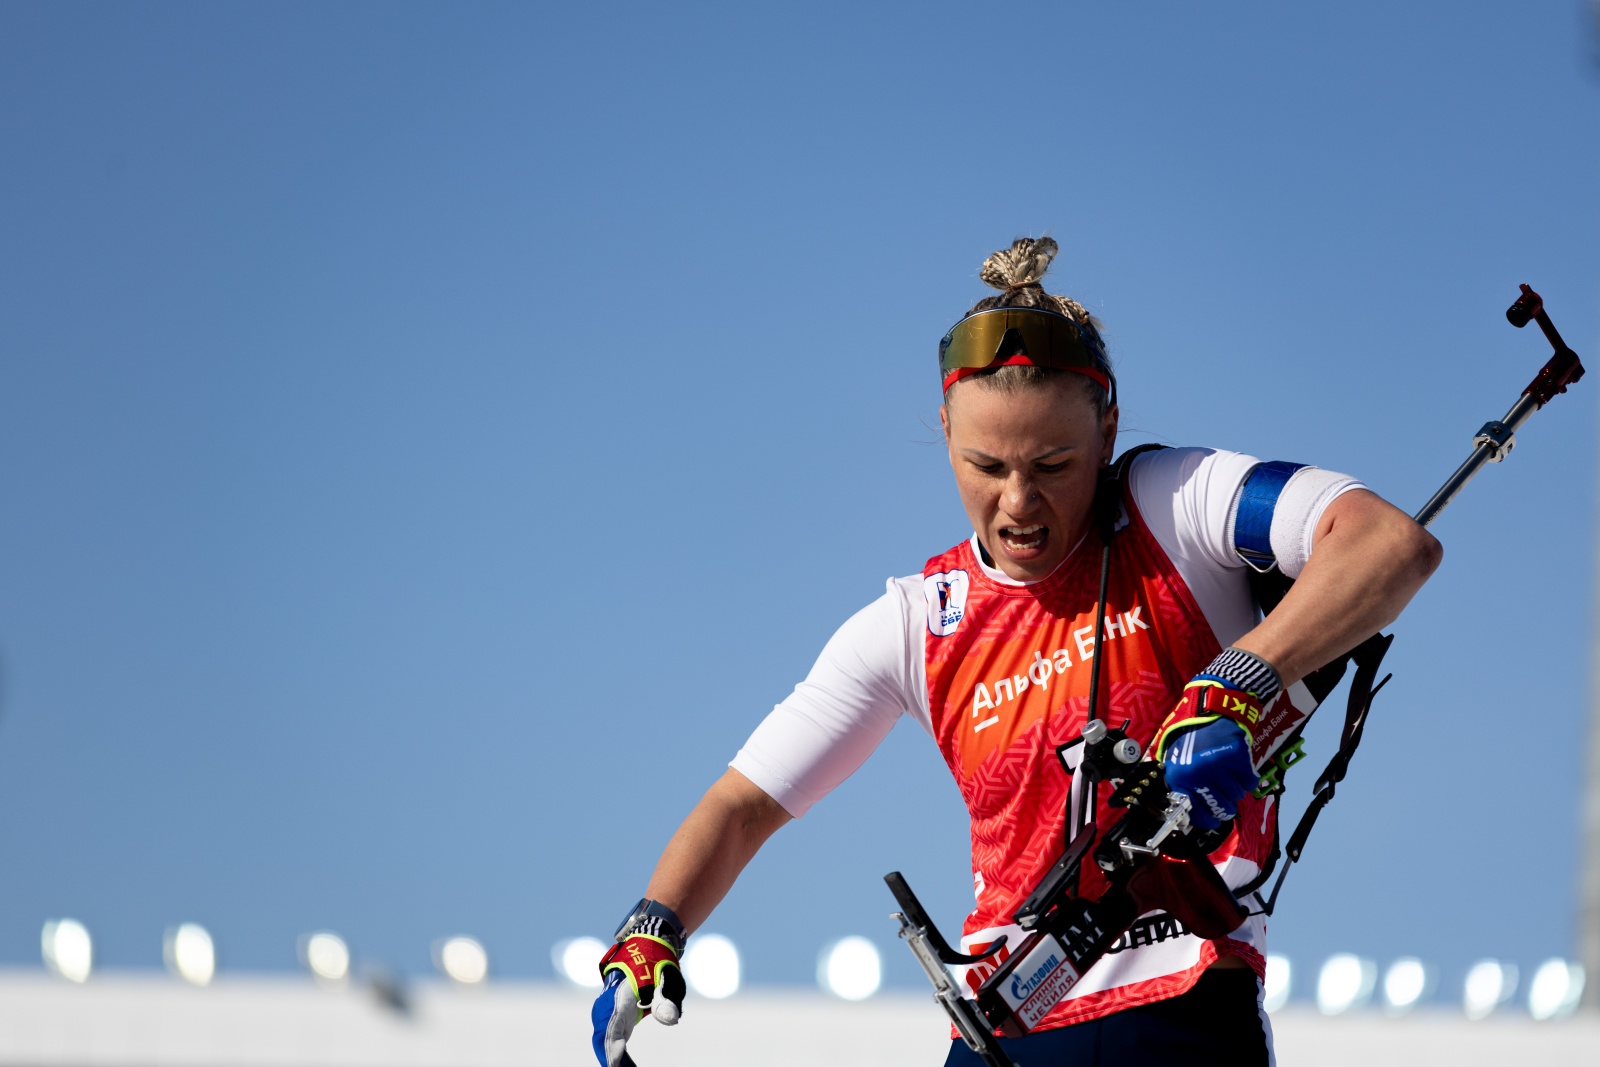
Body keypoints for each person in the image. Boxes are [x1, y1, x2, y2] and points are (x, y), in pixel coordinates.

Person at [591, 237, 1442, 1066]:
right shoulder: (919, 621)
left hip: (1181, 1002)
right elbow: (743, 804)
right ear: (944, 434)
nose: (1019, 500)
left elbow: (1386, 542)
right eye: (986, 465)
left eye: (1055, 463)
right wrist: (651, 929)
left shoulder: (1173, 502)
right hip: (1006, 1022)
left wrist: (1236, 682)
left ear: (1108, 430)